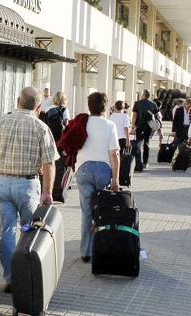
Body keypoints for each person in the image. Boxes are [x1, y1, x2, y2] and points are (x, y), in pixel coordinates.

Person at [0, 87, 59, 293]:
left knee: (7, 232)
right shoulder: (41, 127)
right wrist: (47, 192)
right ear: (38, 107)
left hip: (1, 183)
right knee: (30, 231)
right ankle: (27, 274)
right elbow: (49, 163)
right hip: (27, 185)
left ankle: (10, 278)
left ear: (17, 101)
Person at [75, 92, 120, 263]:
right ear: (105, 106)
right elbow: (114, 154)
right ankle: (100, 246)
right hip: (103, 170)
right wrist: (115, 179)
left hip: (83, 169)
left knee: (87, 211)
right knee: (101, 210)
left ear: (89, 106)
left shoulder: (81, 123)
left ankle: (86, 252)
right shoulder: (110, 125)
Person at [131, 90, 159, 169]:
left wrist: (132, 126)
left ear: (143, 95)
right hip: (149, 127)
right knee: (146, 144)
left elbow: (134, 115)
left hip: (139, 126)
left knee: (138, 144)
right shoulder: (153, 104)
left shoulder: (137, 103)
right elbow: (158, 115)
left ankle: (138, 162)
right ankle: (145, 162)